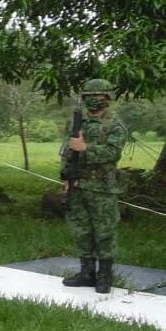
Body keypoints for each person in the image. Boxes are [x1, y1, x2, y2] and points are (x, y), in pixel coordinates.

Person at [60, 78, 127, 294]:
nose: (92, 100)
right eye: (88, 96)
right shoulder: (77, 123)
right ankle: (86, 272)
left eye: (96, 97)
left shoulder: (114, 124)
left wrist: (85, 148)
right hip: (78, 184)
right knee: (81, 230)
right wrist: (66, 177)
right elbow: (66, 151)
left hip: (102, 187)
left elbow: (113, 153)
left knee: (104, 230)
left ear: (107, 98)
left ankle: (104, 275)